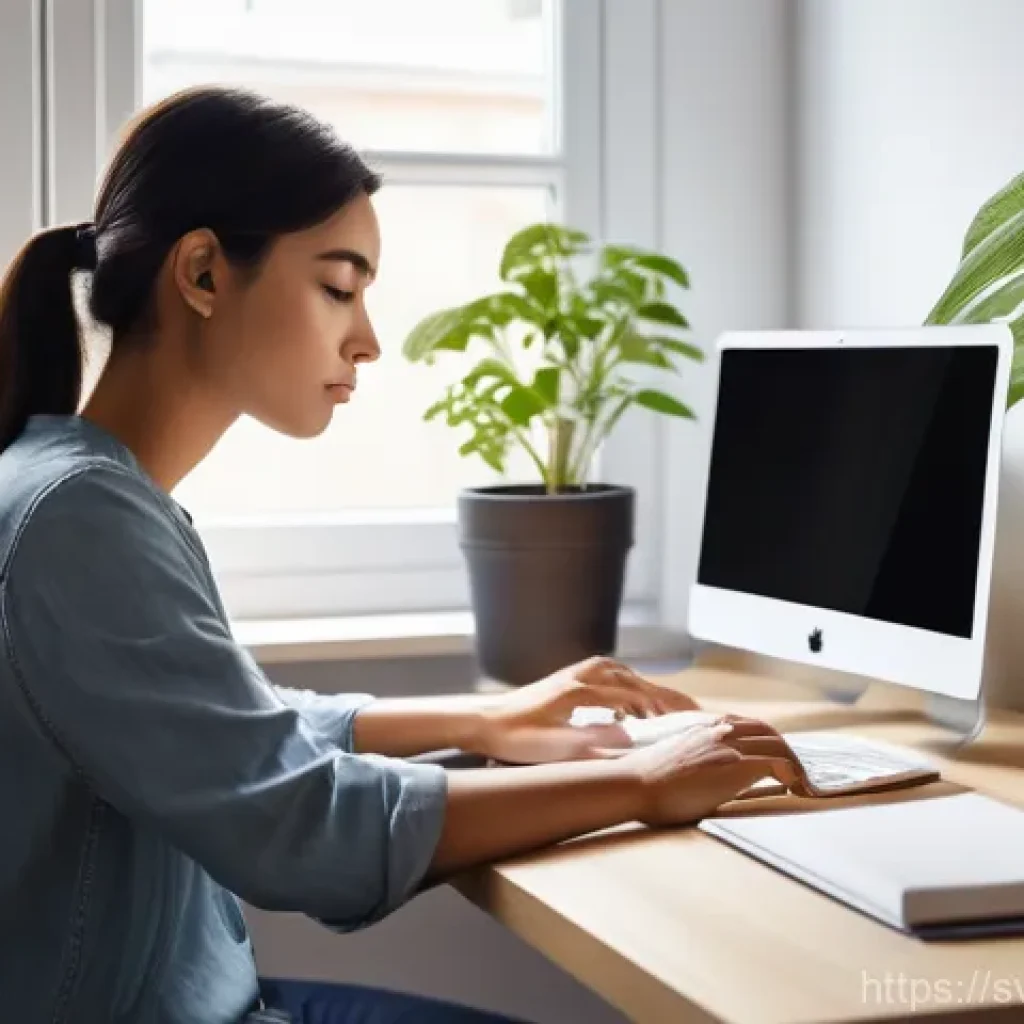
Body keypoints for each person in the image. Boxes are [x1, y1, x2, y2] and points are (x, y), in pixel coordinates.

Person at [0, 86, 802, 1024]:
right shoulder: (80, 518)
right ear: (205, 274)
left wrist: (488, 721)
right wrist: (636, 783)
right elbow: (296, 824)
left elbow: (231, 727)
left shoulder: (83, 486)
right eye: (339, 287)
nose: (369, 340)